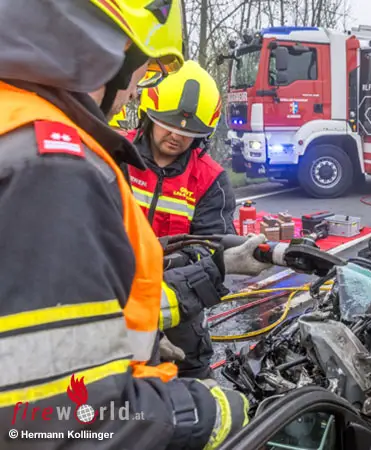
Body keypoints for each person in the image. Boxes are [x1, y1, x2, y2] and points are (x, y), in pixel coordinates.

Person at [0, 2, 272, 447]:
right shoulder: (67, 162)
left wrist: (136, 332)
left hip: (173, 322)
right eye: (142, 73)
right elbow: (60, 416)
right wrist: (205, 413)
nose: (176, 135)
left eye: (188, 132)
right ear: (112, 56)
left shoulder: (204, 178)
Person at [129, 60, 235, 237]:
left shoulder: (211, 181)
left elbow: (211, 243)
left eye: (187, 132)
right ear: (147, 118)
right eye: (168, 126)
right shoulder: (115, 151)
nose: (176, 136)